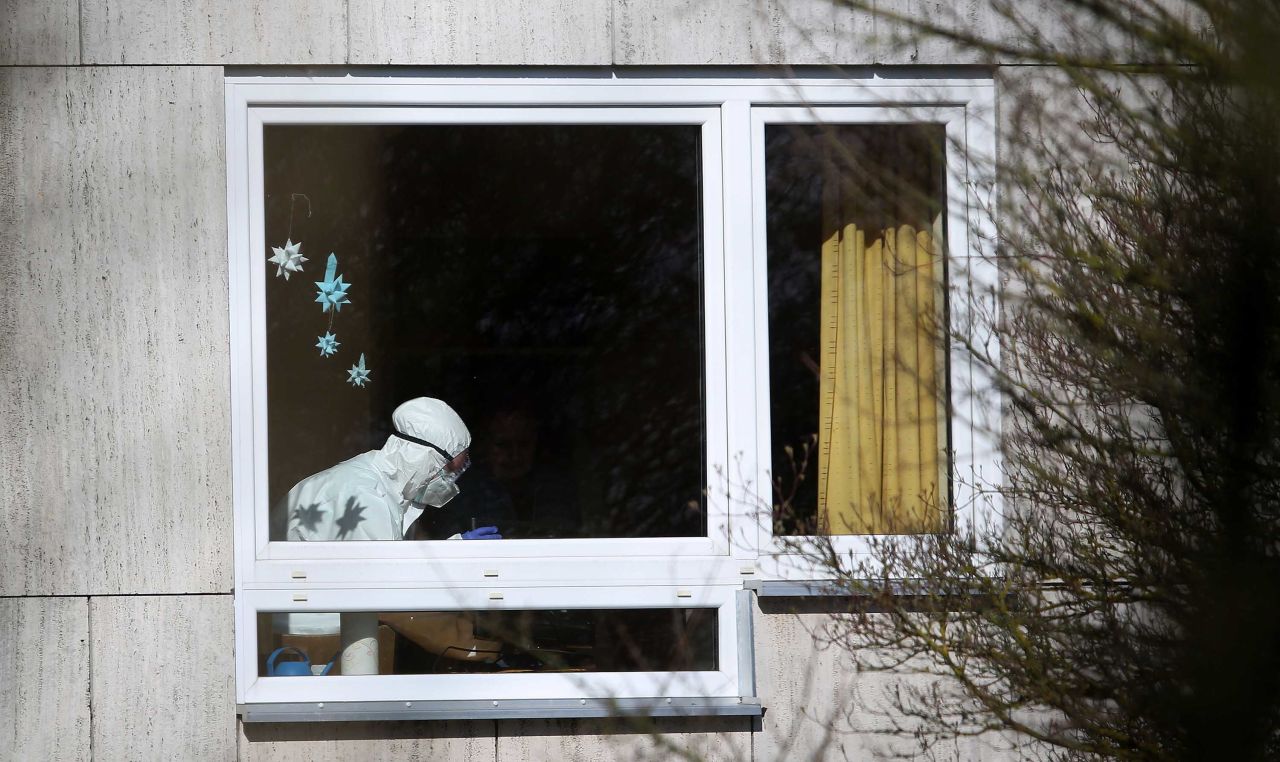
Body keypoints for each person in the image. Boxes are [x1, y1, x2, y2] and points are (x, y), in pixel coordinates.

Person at [281, 397, 501, 542]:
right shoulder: (363, 495)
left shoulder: (382, 488)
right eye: (448, 473)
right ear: (424, 458)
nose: (450, 484)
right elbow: (385, 584)